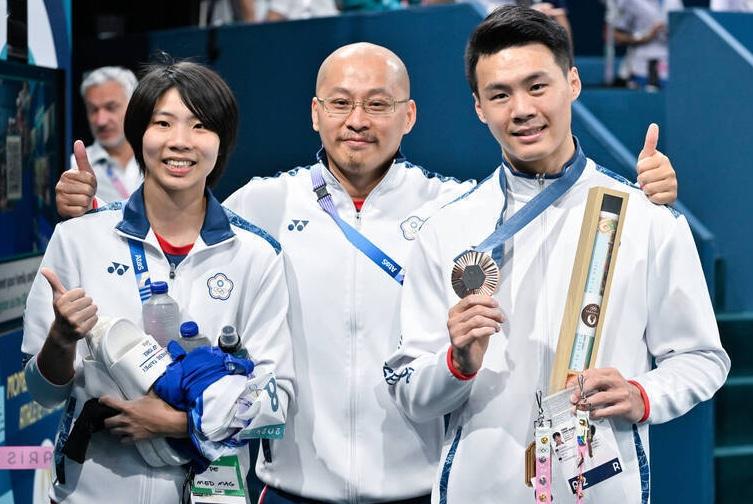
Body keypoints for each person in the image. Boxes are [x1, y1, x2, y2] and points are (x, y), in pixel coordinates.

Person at [54, 43, 678, 503]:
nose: (358, 120)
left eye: (379, 104)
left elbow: (552, 217)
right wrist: (95, 209)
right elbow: (171, 234)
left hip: (420, 487)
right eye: (341, 104)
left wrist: (652, 195)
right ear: (315, 113)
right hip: (287, 485)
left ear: (409, 116)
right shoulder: (262, 204)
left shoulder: (455, 210)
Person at [385, 6, 729, 503]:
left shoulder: (647, 218)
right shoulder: (445, 229)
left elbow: (701, 358)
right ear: (479, 107)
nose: (521, 109)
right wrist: (457, 363)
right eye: (499, 95)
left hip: (603, 489)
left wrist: (643, 394)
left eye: (537, 86)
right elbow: (410, 392)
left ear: (573, 82)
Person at [23, 60, 293, 503]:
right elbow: (41, 391)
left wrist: (183, 424)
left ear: (222, 141)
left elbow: (277, 402)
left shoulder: (256, 256)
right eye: (163, 123)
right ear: (138, 134)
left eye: (200, 126)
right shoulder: (79, 238)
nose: (180, 141)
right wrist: (60, 339)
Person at [59, 67, 142, 211]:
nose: (100, 121)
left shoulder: (157, 157)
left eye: (111, 107)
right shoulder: (74, 168)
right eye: (93, 109)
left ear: (134, 106)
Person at [612, 0, 684, 89]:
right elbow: (615, 35)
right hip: (640, 66)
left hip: (669, 67)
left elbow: (682, 30)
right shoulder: (630, 2)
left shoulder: (675, 2)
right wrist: (643, 38)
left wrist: (672, 31)